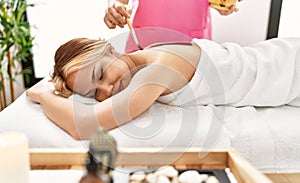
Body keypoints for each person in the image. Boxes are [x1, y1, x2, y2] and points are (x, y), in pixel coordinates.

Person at [26, 37, 300, 140]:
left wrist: (42, 95)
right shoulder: (144, 56)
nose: (106, 90)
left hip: (289, 68)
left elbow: (83, 126)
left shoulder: (155, 73)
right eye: (91, 93)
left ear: (112, 48)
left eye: (99, 74)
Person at [104, 0, 239, 52]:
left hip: (193, 48)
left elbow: (218, 4)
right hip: (144, 48)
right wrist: (115, 8)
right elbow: (119, 1)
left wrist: (224, 5)